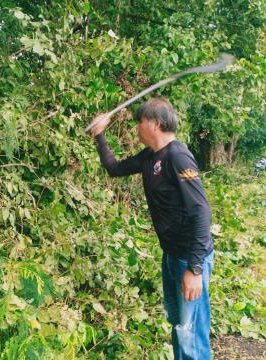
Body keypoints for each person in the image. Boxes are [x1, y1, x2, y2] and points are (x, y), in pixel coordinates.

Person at [90, 98, 214, 360]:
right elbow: (114, 169)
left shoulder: (177, 157)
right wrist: (99, 135)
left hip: (189, 259)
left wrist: (194, 269)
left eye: (140, 121)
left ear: (155, 123)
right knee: (179, 327)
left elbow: (201, 212)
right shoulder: (151, 156)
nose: (137, 127)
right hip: (171, 255)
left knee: (191, 333)